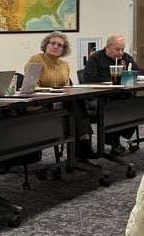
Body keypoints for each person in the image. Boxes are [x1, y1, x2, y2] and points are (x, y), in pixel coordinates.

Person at [26, 32, 96, 162]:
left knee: (77, 102)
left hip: (60, 103)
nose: (55, 46)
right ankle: (84, 144)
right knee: (75, 106)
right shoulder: (37, 60)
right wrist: (53, 92)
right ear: (46, 45)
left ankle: (81, 150)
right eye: (52, 43)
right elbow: (31, 87)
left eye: (60, 45)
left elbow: (67, 87)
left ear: (64, 50)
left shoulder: (65, 65)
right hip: (40, 103)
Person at [82, 34, 143, 153]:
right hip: (99, 97)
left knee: (135, 106)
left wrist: (129, 75)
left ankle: (115, 138)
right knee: (115, 107)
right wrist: (112, 80)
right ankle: (112, 140)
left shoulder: (126, 58)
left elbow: (140, 72)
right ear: (108, 47)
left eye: (122, 49)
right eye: (117, 49)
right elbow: (89, 80)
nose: (120, 52)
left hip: (120, 95)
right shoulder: (95, 59)